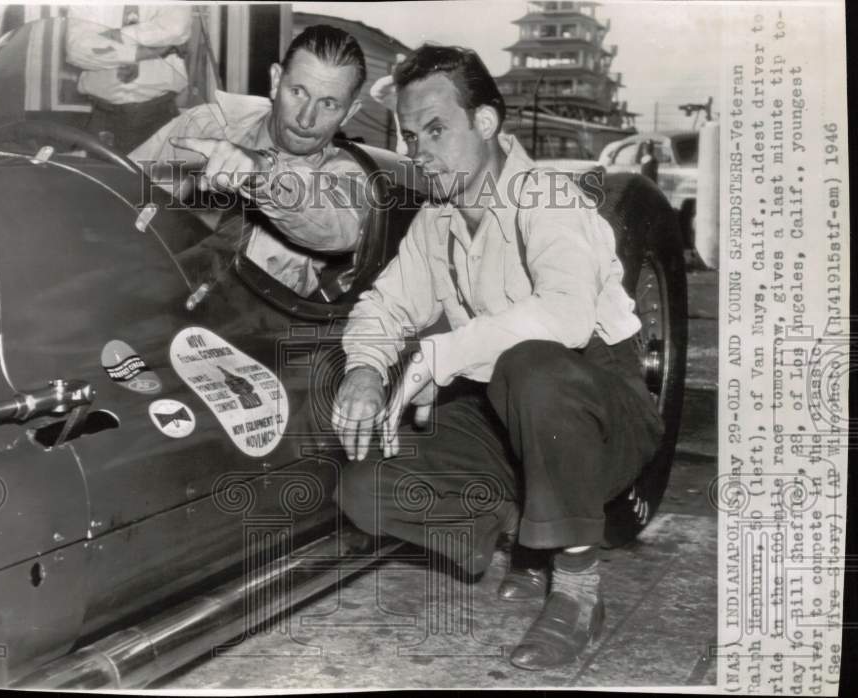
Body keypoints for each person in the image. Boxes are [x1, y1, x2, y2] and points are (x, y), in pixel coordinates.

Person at [331, 45, 664, 671]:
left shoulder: (551, 200)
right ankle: (530, 535)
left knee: (530, 365)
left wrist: (443, 351)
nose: (417, 151)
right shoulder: (437, 221)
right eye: (409, 134)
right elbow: (384, 306)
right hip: (510, 420)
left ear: (485, 123)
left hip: (598, 411)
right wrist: (365, 371)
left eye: (435, 129)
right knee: (366, 484)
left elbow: (564, 319)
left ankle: (577, 588)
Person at [130, 24, 369, 298]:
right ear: (277, 81)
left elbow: (339, 230)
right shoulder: (206, 124)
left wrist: (262, 174)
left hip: (250, 327)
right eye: (298, 92)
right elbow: (124, 190)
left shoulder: (346, 177)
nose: (306, 119)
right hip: (153, 293)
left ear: (349, 113)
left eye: (328, 104)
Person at [66, 5, 193, 153]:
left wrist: (108, 38)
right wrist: (147, 51)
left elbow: (176, 29)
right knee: (96, 174)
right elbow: (76, 49)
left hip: (159, 118)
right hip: (103, 120)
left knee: (158, 175)